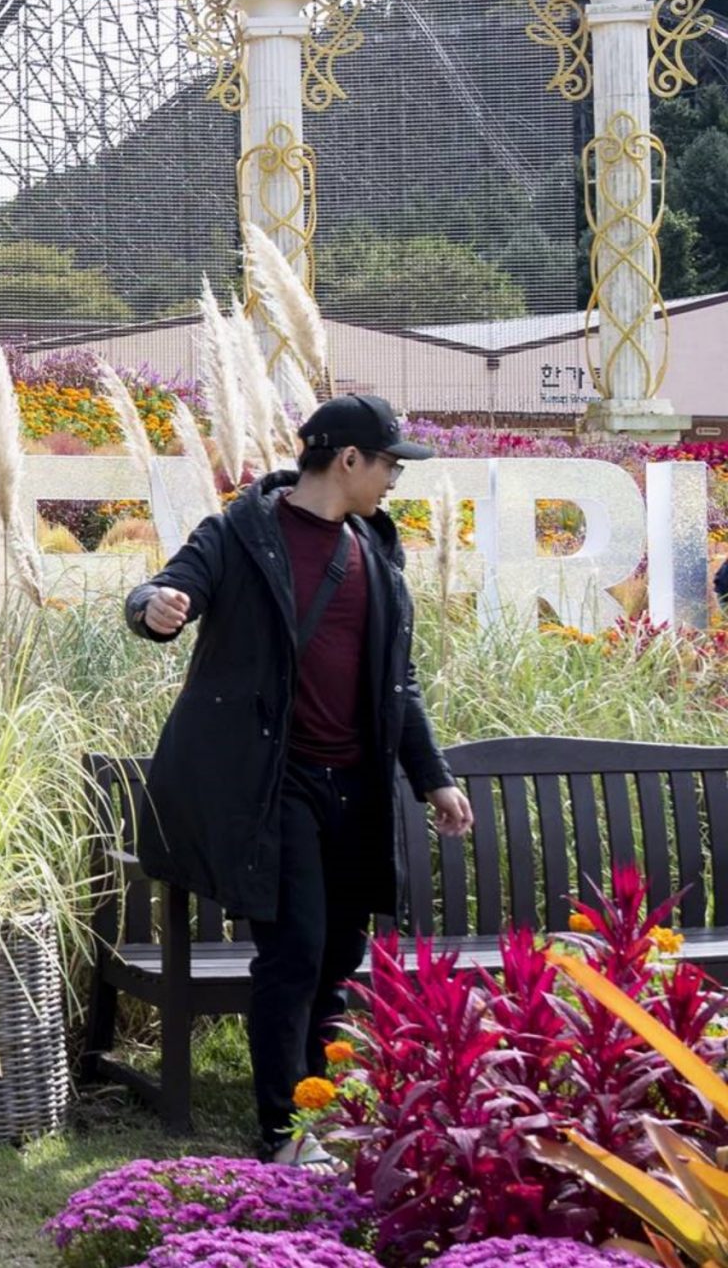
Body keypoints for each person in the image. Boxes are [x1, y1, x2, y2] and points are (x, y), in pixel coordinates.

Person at [124, 393, 475, 1166]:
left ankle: (329, 1108)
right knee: (296, 949)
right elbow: (163, 586)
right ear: (348, 459)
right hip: (272, 783)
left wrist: (434, 777)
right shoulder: (241, 532)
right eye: (389, 463)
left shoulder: (376, 551)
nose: (394, 480)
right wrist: (155, 606)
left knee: (340, 952)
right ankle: (283, 1127)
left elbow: (398, 682)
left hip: (354, 787)